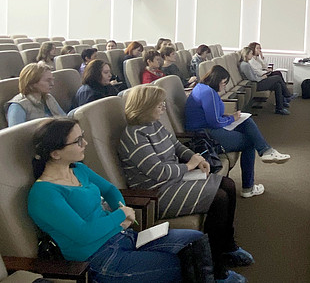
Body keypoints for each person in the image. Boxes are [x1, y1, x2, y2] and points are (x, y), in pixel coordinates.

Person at [28, 117, 217, 283]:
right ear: (55, 153)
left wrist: (122, 211)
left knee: (195, 240)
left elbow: (110, 190)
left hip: (124, 236)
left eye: (82, 136)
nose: (85, 143)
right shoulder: (44, 194)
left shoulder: (78, 169)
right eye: (78, 141)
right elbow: (83, 234)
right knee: (180, 266)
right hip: (99, 258)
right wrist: (120, 215)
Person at [120, 86, 250, 282]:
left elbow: (176, 145)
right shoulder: (133, 136)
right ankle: (216, 270)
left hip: (175, 180)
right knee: (219, 198)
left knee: (229, 185)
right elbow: (158, 172)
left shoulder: (154, 124)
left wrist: (195, 158)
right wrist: (189, 166)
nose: (163, 108)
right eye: (159, 105)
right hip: (155, 193)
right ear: (144, 107)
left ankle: (228, 246)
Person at [185, 65, 290, 198]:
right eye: (224, 83)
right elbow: (215, 122)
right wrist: (232, 118)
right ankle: (248, 188)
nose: (224, 87)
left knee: (246, 121)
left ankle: (266, 151)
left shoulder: (203, 88)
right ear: (216, 80)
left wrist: (230, 117)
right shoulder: (208, 93)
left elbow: (213, 116)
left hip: (208, 128)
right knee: (249, 143)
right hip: (206, 135)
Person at [5, 62, 65, 127]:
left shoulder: (49, 98)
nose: (52, 83)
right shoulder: (18, 106)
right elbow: (17, 132)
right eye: (48, 80)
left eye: (52, 79)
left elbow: (64, 118)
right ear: (32, 83)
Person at [239, 47, 295, 115]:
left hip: (257, 82)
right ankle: (288, 95)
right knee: (277, 77)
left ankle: (279, 108)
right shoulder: (245, 65)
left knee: (277, 85)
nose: (252, 55)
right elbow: (252, 78)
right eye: (250, 53)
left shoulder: (246, 63)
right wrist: (262, 78)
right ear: (246, 55)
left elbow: (254, 75)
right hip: (255, 84)